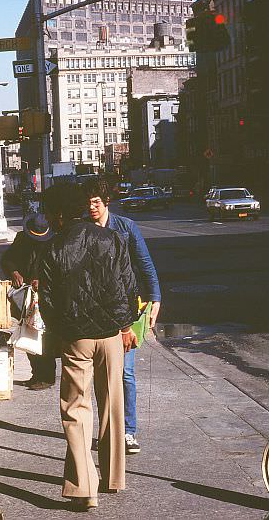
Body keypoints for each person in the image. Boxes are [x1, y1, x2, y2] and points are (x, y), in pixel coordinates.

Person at [38, 183, 139, 511]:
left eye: (50, 213)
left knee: (76, 411)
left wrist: (59, 333)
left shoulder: (53, 248)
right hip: (111, 335)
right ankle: (113, 478)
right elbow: (128, 286)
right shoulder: (113, 239)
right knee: (113, 405)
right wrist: (125, 326)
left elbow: (48, 302)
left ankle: (84, 488)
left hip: (75, 337)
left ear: (59, 213)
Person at [82, 179, 161, 455]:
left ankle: (128, 431)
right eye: (88, 202)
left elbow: (145, 264)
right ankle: (106, 428)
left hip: (127, 309)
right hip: (94, 311)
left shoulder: (126, 228)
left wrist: (156, 299)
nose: (92, 207)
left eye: (96, 202)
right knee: (99, 374)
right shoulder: (83, 229)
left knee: (126, 372)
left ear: (106, 203)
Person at [0, 212, 56, 390]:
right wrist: (14, 271)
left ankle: (47, 376)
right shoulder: (21, 239)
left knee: (44, 337)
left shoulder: (54, 241)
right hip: (26, 296)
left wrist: (43, 280)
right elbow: (7, 259)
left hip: (47, 296)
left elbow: (58, 266)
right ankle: (36, 374)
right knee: (28, 333)